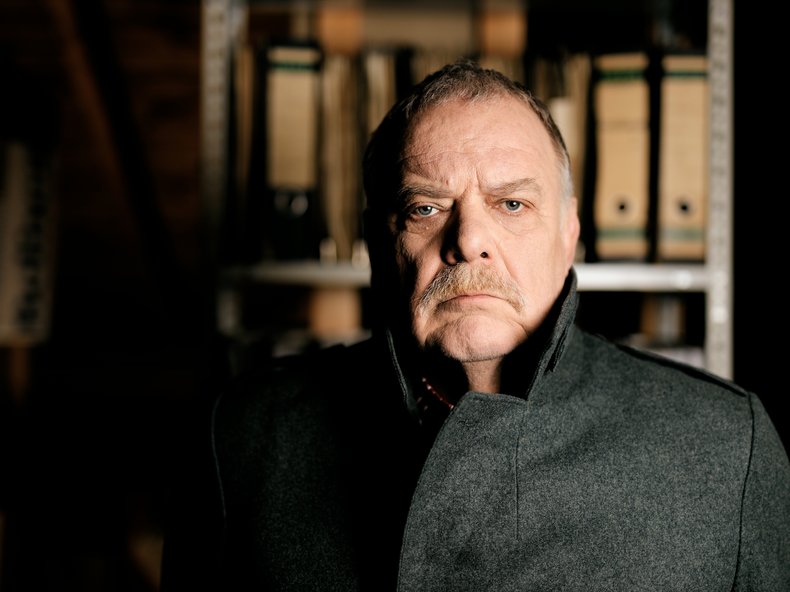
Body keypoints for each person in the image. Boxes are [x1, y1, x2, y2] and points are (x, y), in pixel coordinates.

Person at [159, 59, 790, 590]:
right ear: (378, 246)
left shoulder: (725, 447)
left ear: (568, 235)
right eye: (425, 208)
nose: (468, 240)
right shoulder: (243, 438)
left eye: (511, 203)